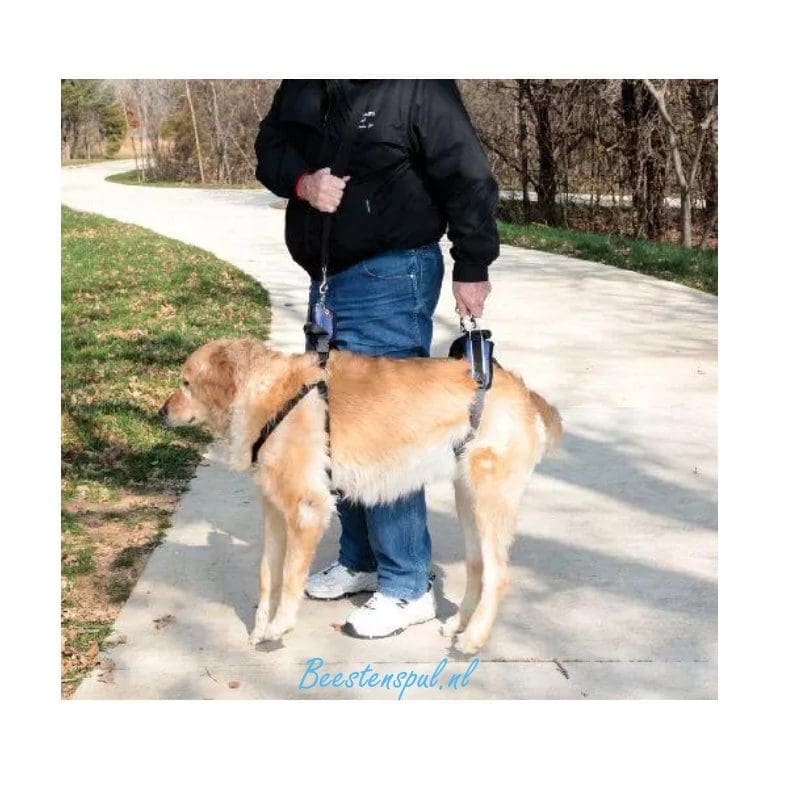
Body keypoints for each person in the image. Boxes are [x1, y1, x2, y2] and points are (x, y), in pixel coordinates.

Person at [254, 79, 499, 639]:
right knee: (336, 428)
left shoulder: (414, 83)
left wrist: (472, 263)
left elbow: (467, 172)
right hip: (327, 279)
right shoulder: (305, 79)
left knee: (385, 433)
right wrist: (303, 182)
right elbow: (269, 148)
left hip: (392, 272)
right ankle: (362, 559)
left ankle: (407, 583)